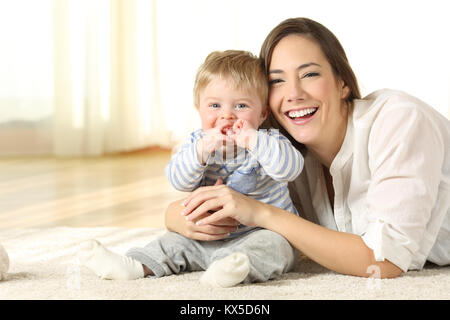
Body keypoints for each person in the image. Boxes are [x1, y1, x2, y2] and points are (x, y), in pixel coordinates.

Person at [166, 17, 450, 279]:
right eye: (277, 80)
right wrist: (182, 217)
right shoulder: (278, 147)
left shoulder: (399, 120)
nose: (293, 94)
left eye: (310, 74)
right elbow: (209, 203)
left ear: (342, 83)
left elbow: (384, 261)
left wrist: (261, 213)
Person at [78, 50, 304, 287]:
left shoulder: (269, 140)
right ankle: (134, 265)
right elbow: (178, 180)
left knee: (275, 247)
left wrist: (253, 139)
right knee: (172, 243)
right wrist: (201, 152)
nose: (226, 115)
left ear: (262, 113)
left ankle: (229, 270)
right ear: (199, 109)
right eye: (214, 105)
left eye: (240, 105)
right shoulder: (197, 143)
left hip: (259, 232)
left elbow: (289, 170)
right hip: (206, 235)